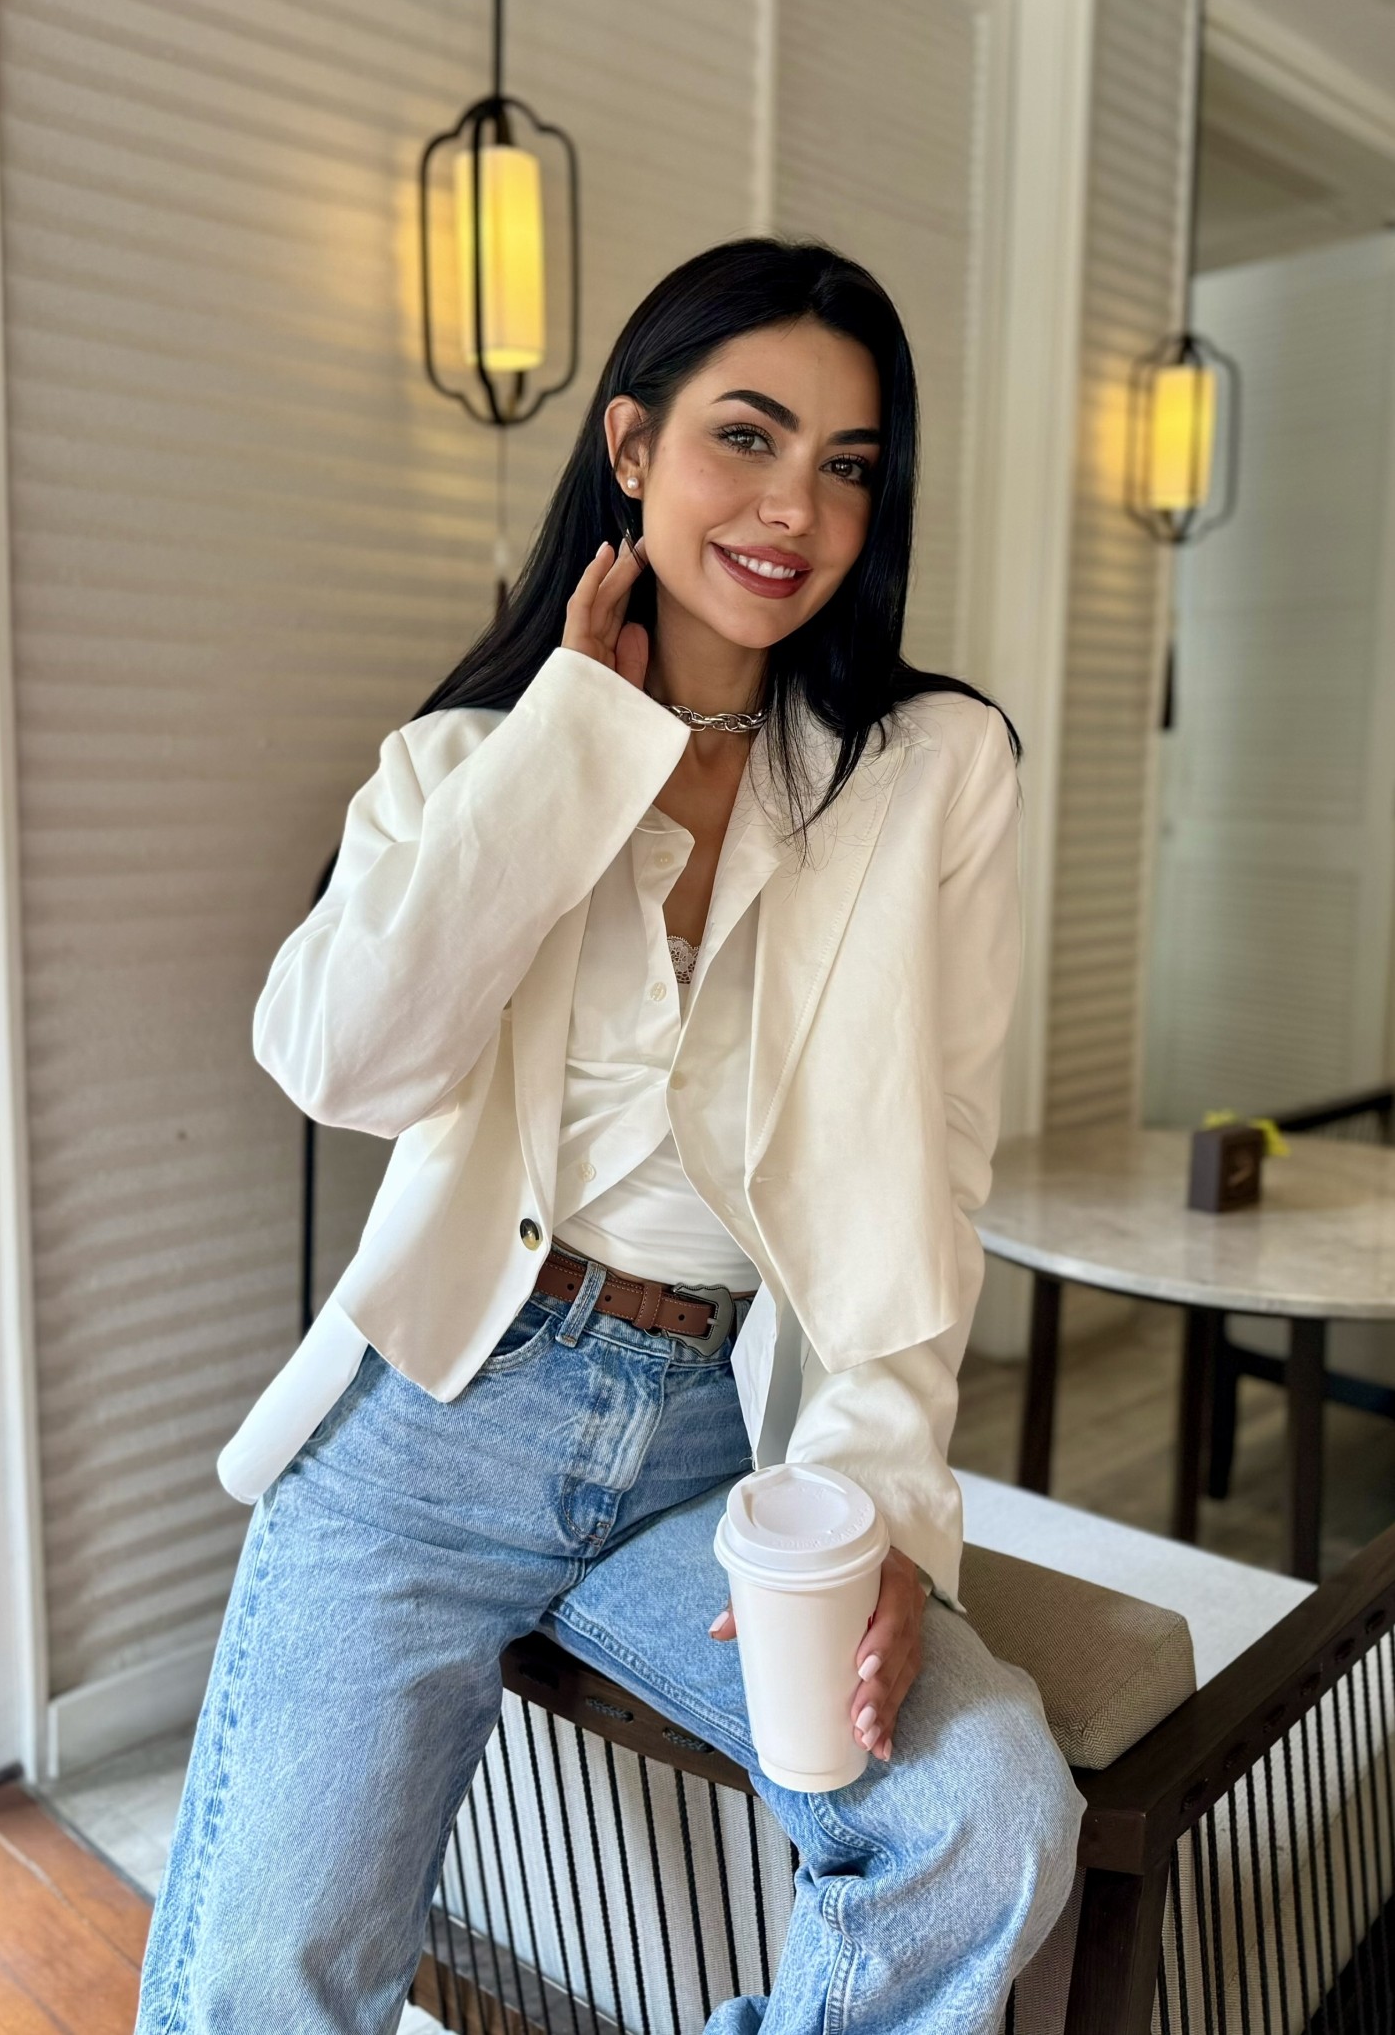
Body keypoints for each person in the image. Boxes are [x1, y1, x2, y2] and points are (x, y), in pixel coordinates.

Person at [134, 236, 1084, 2035]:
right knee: (264, 1988)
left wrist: (881, 1501)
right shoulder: (470, 761)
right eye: (747, 435)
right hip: (429, 1430)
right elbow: (342, 1063)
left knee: (985, 1814)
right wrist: (580, 737)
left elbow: (933, 1162)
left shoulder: (933, 770)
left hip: (719, 1448)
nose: (795, 507)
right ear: (631, 447)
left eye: (849, 463)